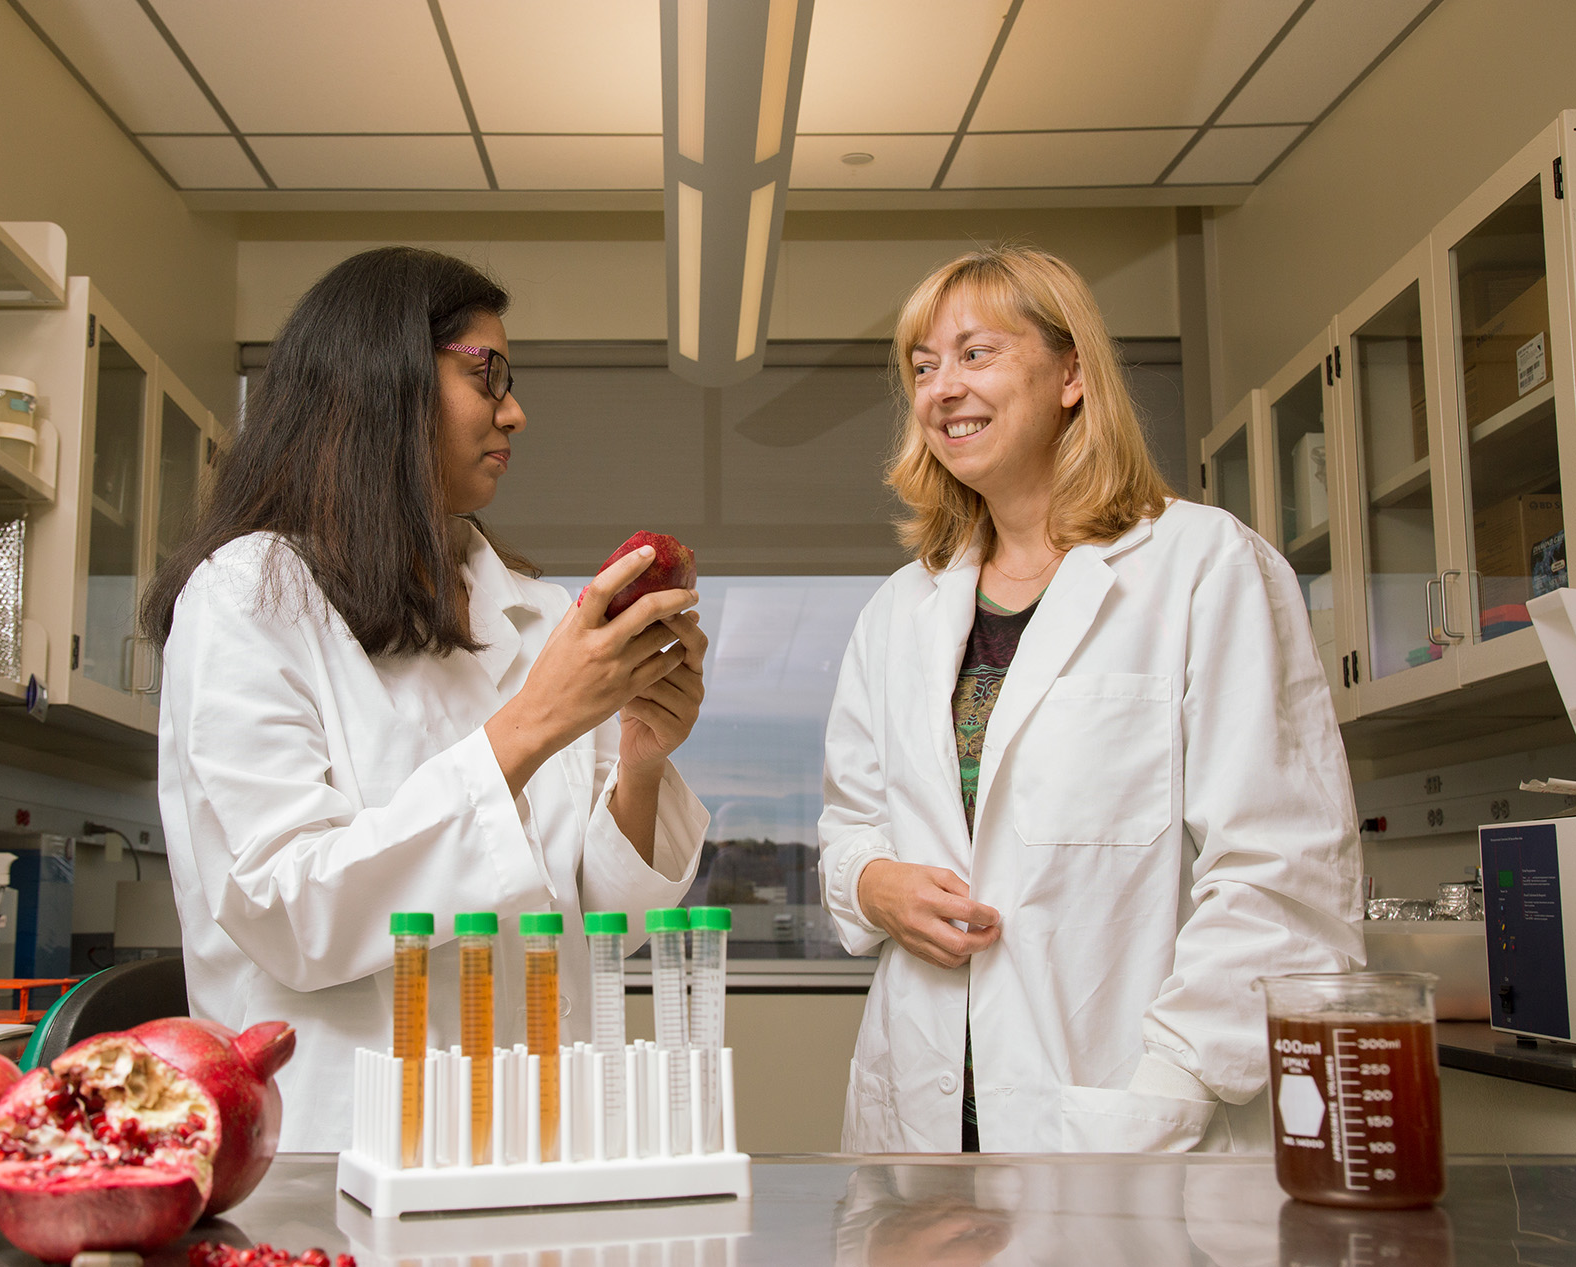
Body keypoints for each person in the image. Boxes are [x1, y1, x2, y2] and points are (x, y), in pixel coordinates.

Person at [145, 246, 711, 1150]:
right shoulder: (249, 593)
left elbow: (605, 927)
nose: (516, 412)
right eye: (487, 375)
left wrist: (638, 762)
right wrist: (531, 727)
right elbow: (289, 912)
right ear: (381, 382)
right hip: (344, 1141)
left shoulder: (518, 609)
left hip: (539, 1130)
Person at [818, 245, 1363, 1154]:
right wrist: (873, 885)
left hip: (1121, 1115)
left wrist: (1173, 1084)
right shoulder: (898, 610)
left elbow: (1282, 872)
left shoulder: (1202, 568)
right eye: (923, 367)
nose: (942, 387)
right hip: (920, 1123)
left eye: (976, 353)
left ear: (1071, 372)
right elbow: (850, 826)